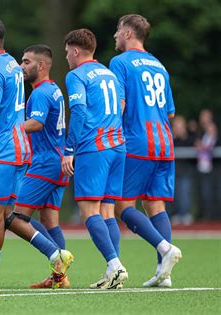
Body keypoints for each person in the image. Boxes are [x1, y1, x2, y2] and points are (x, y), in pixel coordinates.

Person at [0, 17, 72, 295]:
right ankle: (56, 255)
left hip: (0, 152)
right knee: (8, 216)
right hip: (22, 151)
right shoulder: (12, 66)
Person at [110, 14, 182, 287]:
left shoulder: (120, 63)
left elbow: (120, 106)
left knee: (121, 206)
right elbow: (171, 113)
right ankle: (164, 274)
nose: (115, 36)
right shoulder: (160, 66)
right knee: (154, 204)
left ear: (128, 33)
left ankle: (165, 249)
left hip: (138, 143)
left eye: (117, 30)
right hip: (165, 142)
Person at [61, 28, 128, 289]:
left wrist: (69, 150)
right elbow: (121, 106)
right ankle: (114, 270)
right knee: (107, 210)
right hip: (118, 145)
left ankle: (114, 265)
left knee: (89, 210)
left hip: (95, 147)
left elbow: (77, 111)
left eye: (67, 52)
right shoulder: (109, 73)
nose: (66, 57)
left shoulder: (76, 75)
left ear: (76, 50)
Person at [15, 44, 73, 289]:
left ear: (41, 66)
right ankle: (59, 277)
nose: (21, 66)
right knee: (50, 221)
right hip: (58, 162)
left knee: (13, 217)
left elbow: (36, 123)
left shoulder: (40, 92)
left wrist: (8, 130)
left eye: (26, 62)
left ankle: (56, 254)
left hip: (45, 163)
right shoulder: (54, 89)